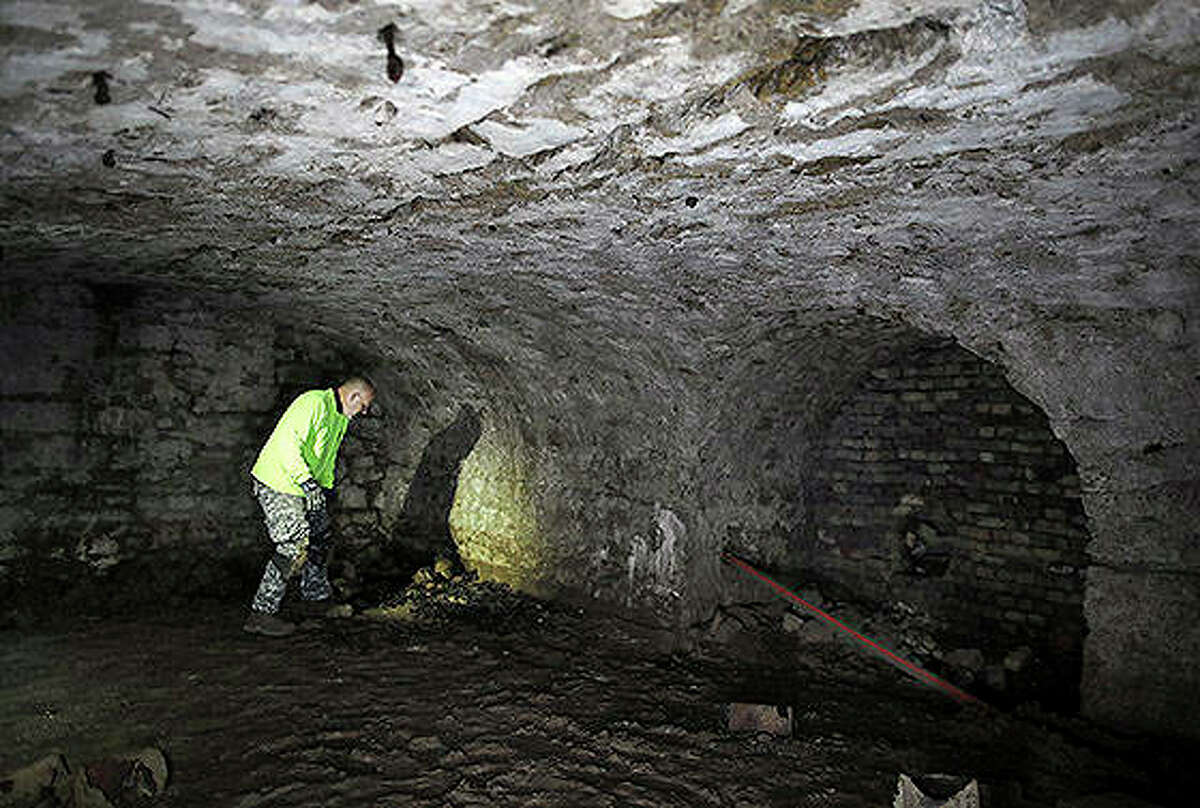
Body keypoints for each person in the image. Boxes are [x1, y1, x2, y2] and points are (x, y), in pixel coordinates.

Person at [243, 376, 376, 637]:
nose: (365, 412)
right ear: (353, 397)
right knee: (293, 544)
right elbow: (288, 445)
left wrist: (321, 492)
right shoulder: (313, 403)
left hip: (303, 486)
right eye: (364, 406)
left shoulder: (339, 418)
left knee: (321, 536)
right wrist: (307, 483)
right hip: (278, 482)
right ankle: (261, 614)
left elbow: (325, 458)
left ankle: (315, 600)